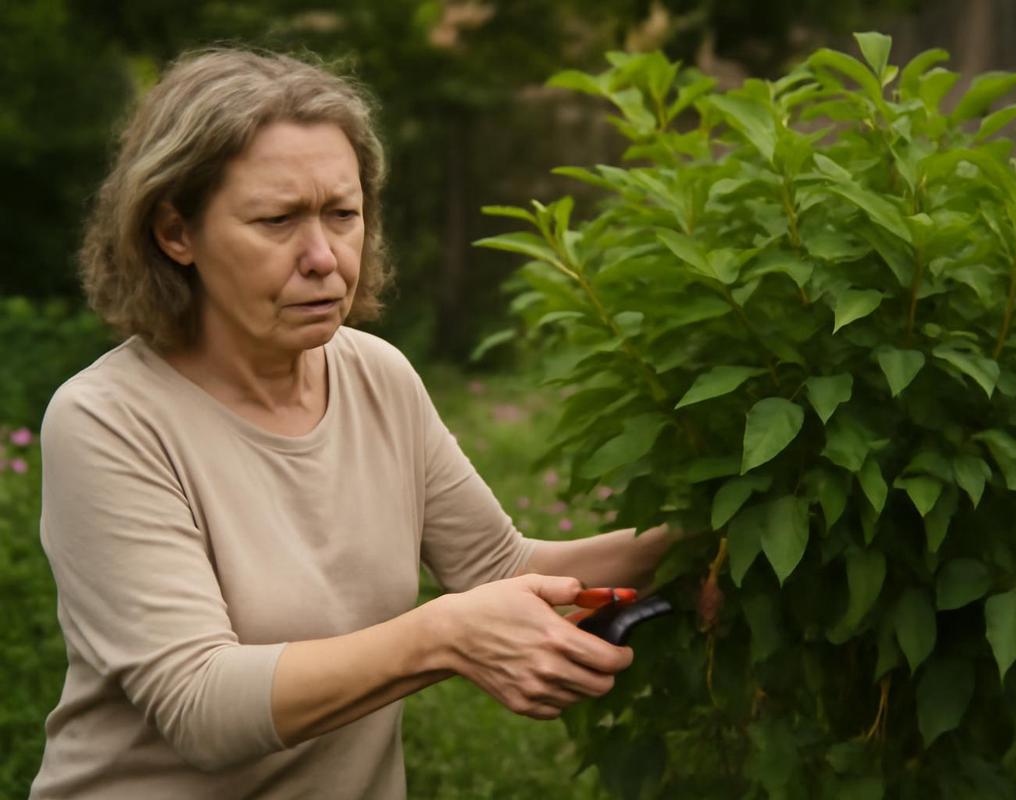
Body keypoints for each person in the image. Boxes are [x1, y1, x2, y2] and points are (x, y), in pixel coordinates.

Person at [29, 47, 677, 799]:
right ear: (176, 233)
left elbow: (500, 569)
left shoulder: (377, 375)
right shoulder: (108, 420)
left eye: (342, 214)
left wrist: (698, 545)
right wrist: (441, 635)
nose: (324, 258)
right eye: (277, 221)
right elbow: (199, 705)